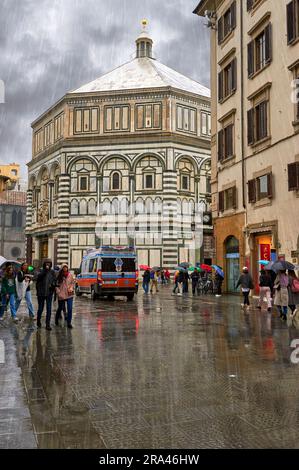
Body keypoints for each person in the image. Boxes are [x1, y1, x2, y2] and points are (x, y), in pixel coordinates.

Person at [36, 260, 56, 330]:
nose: (48, 265)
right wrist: (45, 271)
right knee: (40, 308)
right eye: (47, 263)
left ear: (51, 264)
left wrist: (53, 285)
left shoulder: (52, 272)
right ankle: (38, 321)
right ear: (44, 264)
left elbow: (54, 280)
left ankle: (48, 324)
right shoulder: (41, 271)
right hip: (41, 294)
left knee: (49, 309)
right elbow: (38, 279)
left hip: (49, 293)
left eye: (49, 264)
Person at [55, 264, 75, 328]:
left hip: (69, 294)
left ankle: (69, 323)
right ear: (62, 269)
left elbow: (72, 282)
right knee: (60, 308)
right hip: (62, 294)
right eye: (64, 268)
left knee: (70, 308)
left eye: (66, 267)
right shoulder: (59, 276)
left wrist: (71, 287)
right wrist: (58, 292)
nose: (65, 269)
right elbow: (56, 285)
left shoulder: (70, 275)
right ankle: (56, 318)